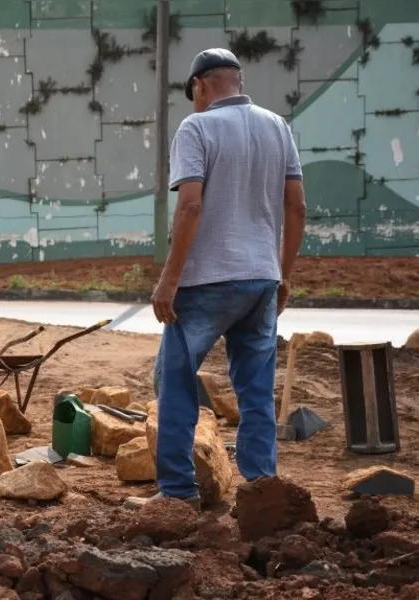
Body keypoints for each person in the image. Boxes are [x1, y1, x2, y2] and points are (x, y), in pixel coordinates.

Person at [131, 49, 307, 511]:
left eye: (192, 92)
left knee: (175, 381)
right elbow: (297, 208)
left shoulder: (198, 127)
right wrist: (283, 275)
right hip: (261, 281)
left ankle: (177, 494)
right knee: (255, 391)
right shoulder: (277, 126)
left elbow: (190, 206)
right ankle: (261, 490)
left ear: (201, 86)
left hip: (207, 281)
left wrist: (169, 281)